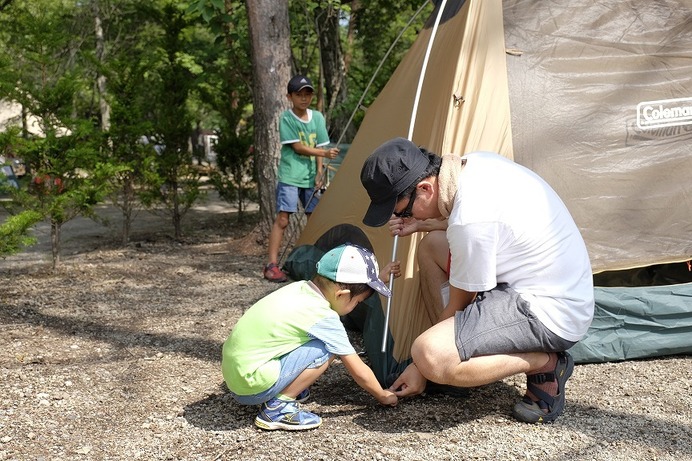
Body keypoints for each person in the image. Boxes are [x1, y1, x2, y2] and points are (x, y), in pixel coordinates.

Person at [360, 137, 595, 424]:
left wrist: (423, 366)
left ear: (425, 188)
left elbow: (460, 304)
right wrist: (423, 223)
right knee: (431, 246)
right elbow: (485, 220)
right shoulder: (473, 164)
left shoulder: (469, 221)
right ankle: (458, 355)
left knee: (429, 353)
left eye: (402, 211)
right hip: (556, 284)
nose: (399, 217)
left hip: (552, 312)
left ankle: (546, 363)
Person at [223, 244, 400, 431]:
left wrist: (378, 279)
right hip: (252, 386)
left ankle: (286, 386)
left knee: (311, 338)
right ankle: (278, 408)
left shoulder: (299, 289)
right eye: (358, 302)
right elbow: (359, 371)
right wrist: (383, 395)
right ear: (342, 294)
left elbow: (351, 294)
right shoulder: (323, 317)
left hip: (237, 376)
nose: (357, 306)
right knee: (328, 347)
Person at [264, 74, 340, 282]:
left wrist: (319, 173)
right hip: (290, 176)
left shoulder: (317, 118)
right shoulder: (287, 118)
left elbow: (319, 146)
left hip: (310, 178)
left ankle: (314, 263)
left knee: (313, 219)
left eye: (307, 94)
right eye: (299, 95)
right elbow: (298, 148)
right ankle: (271, 264)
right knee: (283, 219)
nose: (304, 99)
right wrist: (324, 155)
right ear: (290, 97)